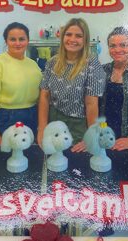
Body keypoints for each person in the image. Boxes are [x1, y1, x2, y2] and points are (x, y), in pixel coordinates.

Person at [38, 18, 106, 151]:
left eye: (78, 36)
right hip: (54, 121)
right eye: (68, 34)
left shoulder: (92, 64)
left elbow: (91, 104)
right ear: (62, 37)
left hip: (78, 125)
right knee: (53, 159)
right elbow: (44, 96)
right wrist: (42, 129)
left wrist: (91, 136)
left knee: (75, 161)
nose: (72, 39)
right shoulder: (52, 62)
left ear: (85, 40)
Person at [0, 22, 42, 146]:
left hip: (32, 116)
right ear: (6, 41)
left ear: (28, 41)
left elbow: (41, 96)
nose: (17, 43)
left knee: (29, 155)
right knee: (8, 156)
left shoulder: (33, 65)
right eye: (13, 39)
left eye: (22, 39)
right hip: (6, 118)